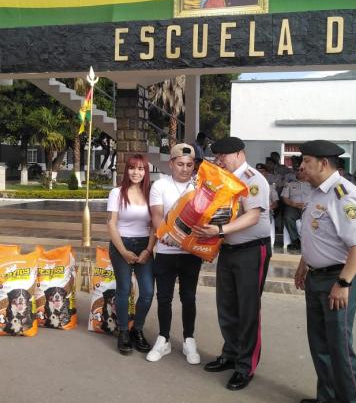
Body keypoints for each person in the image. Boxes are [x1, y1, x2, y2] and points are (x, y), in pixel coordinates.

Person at [193, 136, 271, 391]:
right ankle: (230, 353)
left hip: (251, 251)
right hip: (227, 248)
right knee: (226, 306)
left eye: (223, 156)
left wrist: (219, 229)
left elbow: (253, 216)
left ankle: (245, 366)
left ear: (239, 153)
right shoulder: (221, 178)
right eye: (216, 157)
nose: (219, 161)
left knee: (247, 309)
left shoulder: (252, 179)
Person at [294, 140, 356, 403]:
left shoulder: (344, 195)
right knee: (319, 343)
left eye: (306, 162)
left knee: (339, 347)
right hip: (317, 275)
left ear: (324, 164)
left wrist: (344, 282)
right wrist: (304, 263)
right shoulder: (317, 192)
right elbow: (318, 234)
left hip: (338, 277)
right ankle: (327, 398)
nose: (301, 167)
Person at [147, 143, 202, 365]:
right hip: (166, 251)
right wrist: (168, 236)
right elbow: (157, 217)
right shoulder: (160, 186)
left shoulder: (200, 187)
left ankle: (189, 339)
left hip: (191, 252)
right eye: (180, 164)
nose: (185, 168)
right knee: (164, 297)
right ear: (171, 164)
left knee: (189, 297)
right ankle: (164, 338)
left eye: (190, 164)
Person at [106, 153, 155, 355]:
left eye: (141, 168)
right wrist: (124, 251)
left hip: (144, 244)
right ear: (126, 170)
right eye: (133, 168)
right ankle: (124, 331)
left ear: (146, 171)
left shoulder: (151, 194)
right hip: (121, 244)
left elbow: (155, 225)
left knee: (147, 292)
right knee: (124, 290)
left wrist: (148, 250)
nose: (136, 172)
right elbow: (111, 223)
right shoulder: (117, 193)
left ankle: (138, 329)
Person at [281, 168, 313, 251]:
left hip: (308, 207)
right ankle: (295, 241)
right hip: (293, 207)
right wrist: (294, 204)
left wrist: (308, 205)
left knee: (314, 219)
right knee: (287, 217)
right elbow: (285, 198)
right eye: (297, 170)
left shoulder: (312, 184)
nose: (298, 172)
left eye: (301, 170)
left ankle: (310, 242)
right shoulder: (289, 184)